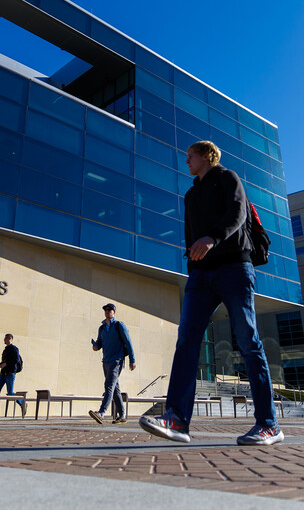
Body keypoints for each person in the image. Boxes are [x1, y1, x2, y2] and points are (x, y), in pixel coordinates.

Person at [139, 140, 283, 446]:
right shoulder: (190, 194)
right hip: (201, 275)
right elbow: (191, 235)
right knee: (187, 341)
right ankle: (177, 419)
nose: (186, 159)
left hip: (233, 268)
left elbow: (238, 214)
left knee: (248, 342)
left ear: (206, 155)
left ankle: (269, 424)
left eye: (190, 154)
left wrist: (212, 238)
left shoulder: (227, 177)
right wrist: (193, 262)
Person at [89, 302, 136, 424]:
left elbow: (129, 342)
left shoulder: (119, 325)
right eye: (105, 310)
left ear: (114, 312)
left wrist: (132, 360)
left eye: (110, 310)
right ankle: (122, 415)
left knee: (109, 385)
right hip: (106, 361)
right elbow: (99, 344)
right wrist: (95, 346)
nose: (107, 312)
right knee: (115, 390)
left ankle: (101, 413)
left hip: (117, 361)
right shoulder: (102, 328)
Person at [0, 334, 25, 418]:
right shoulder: (5, 350)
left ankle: (22, 403)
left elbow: (16, 360)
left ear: (10, 339)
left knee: (10, 392)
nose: (4, 339)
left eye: (6, 338)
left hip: (10, 374)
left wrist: (5, 364)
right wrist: (0, 365)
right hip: (3, 374)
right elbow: (4, 361)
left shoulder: (14, 349)